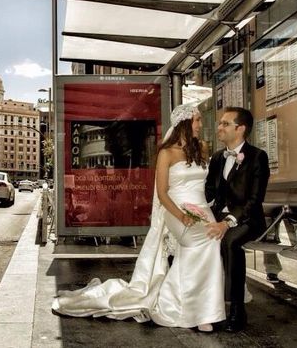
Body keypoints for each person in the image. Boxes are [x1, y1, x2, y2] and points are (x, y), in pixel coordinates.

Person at [52, 104, 226, 332]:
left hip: (202, 209)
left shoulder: (201, 149)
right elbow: (162, 193)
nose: (201, 125)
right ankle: (196, 311)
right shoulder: (166, 153)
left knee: (211, 242)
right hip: (176, 210)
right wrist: (182, 215)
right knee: (200, 245)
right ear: (184, 123)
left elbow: (206, 185)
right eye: (197, 120)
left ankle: (193, 308)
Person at [205, 107, 270, 333]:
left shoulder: (258, 157)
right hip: (220, 216)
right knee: (198, 240)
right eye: (220, 123)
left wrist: (228, 222)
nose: (219, 127)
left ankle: (236, 309)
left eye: (225, 123)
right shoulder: (217, 158)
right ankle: (204, 307)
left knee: (230, 242)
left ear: (240, 128)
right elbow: (210, 192)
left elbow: (254, 199)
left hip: (248, 220)